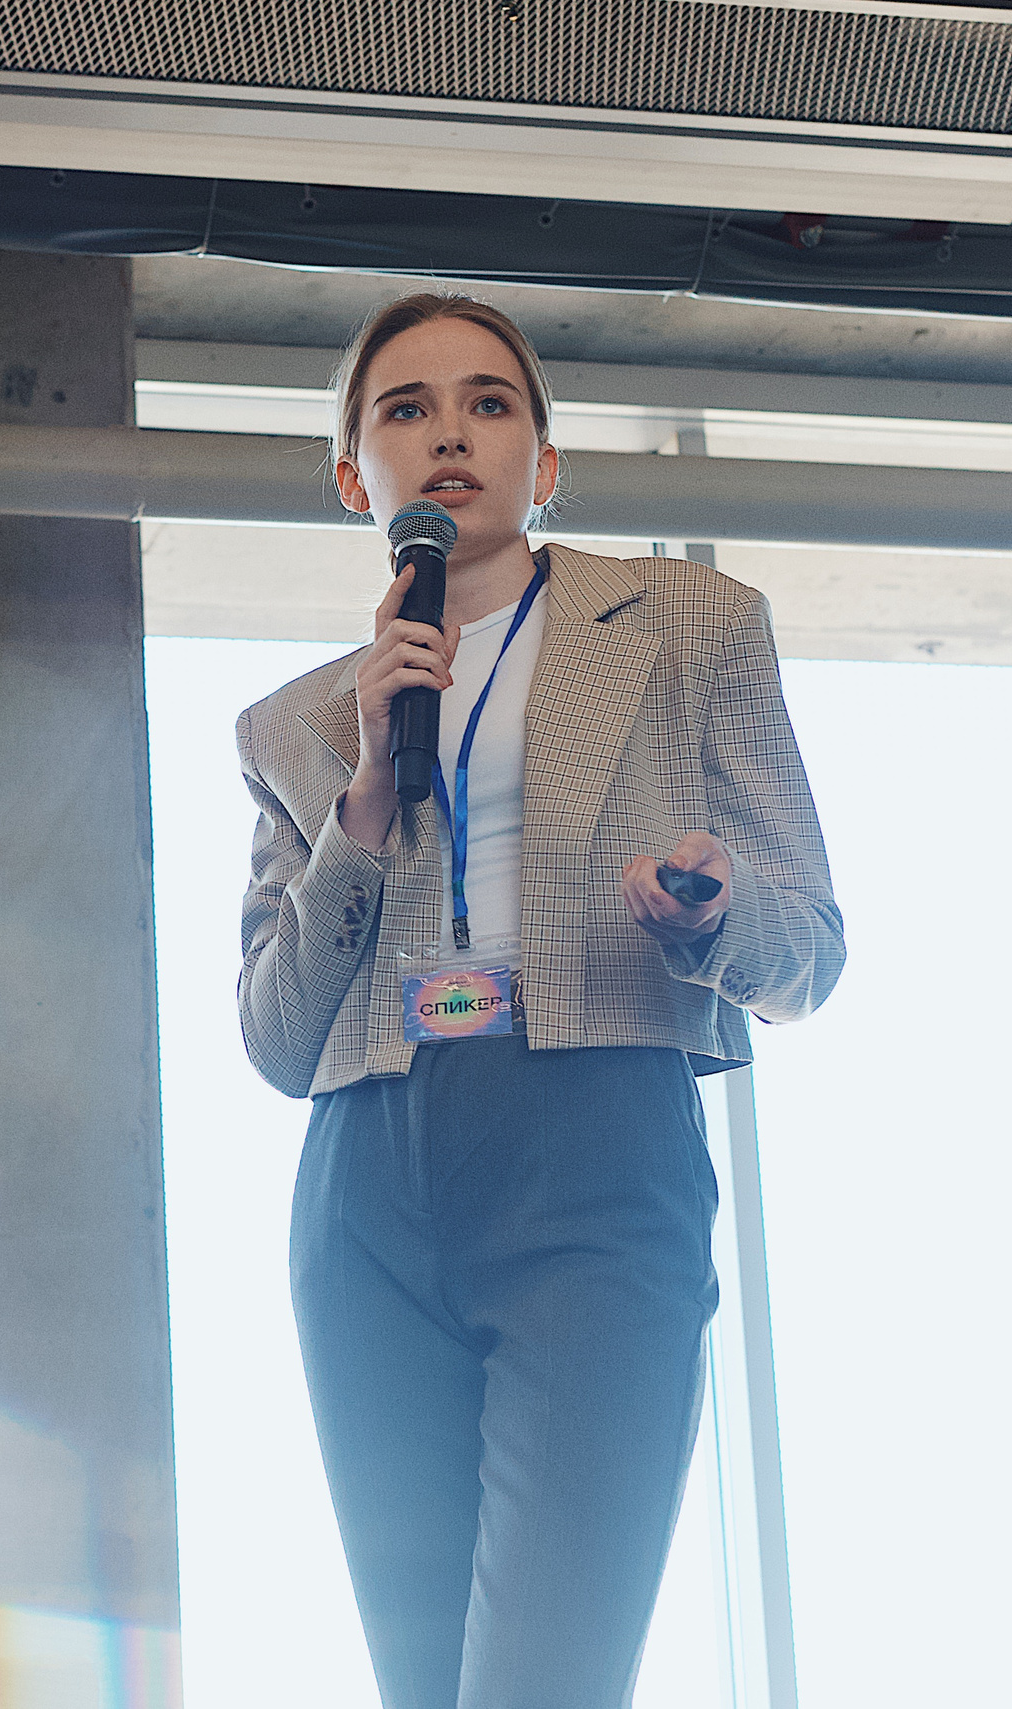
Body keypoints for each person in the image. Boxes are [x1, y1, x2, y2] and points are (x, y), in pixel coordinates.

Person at [233, 293, 844, 1709]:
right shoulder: (297, 724)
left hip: (595, 1140)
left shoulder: (690, 625)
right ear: (354, 479)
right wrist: (364, 803)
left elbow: (806, 945)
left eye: (490, 403)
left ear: (544, 462)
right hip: (364, 1186)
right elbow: (275, 1037)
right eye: (405, 408)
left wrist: (713, 906)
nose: (451, 430)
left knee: (543, 1683)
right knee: (422, 1686)